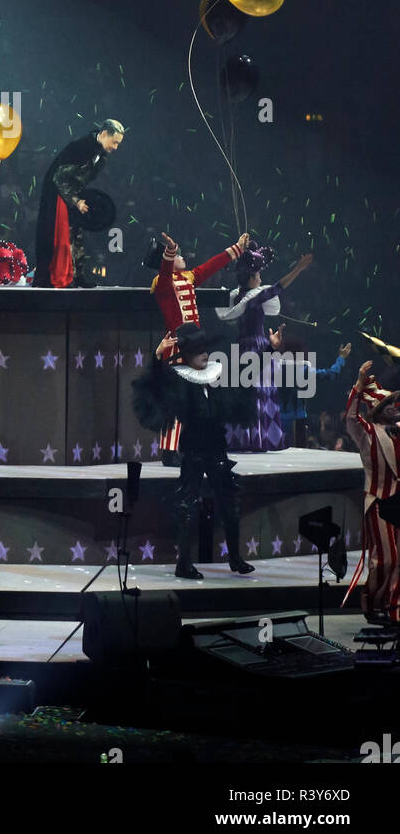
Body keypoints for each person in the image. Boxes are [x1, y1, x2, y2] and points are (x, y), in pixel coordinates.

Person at [132, 324, 257, 580]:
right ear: (187, 355)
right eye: (198, 351)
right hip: (193, 451)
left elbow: (239, 398)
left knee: (230, 503)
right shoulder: (181, 381)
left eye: (206, 350)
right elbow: (153, 386)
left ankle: (235, 558)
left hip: (217, 450)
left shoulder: (213, 379)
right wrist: (157, 357)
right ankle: (184, 564)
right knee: (186, 507)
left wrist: (266, 350)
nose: (205, 355)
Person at [144, 230, 248, 465]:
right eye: (178, 256)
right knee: (176, 398)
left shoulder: (188, 278)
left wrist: (237, 248)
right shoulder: (163, 283)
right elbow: (165, 271)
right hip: (177, 344)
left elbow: (212, 265)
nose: (183, 258)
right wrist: (170, 251)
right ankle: (170, 452)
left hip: (194, 344)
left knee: (200, 398)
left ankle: (204, 448)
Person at [216, 245, 313, 452]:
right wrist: (298, 269)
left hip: (241, 348)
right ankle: (258, 439)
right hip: (256, 347)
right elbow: (280, 286)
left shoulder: (238, 296)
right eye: (258, 273)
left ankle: (245, 437)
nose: (260, 278)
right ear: (252, 276)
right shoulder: (253, 298)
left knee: (247, 391)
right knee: (259, 391)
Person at [342, 359, 400, 624]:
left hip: (399, 502)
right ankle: (373, 602)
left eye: (394, 403)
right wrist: (358, 384)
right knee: (386, 558)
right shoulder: (367, 432)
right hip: (379, 500)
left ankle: (391, 605)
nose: (394, 407)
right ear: (378, 411)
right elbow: (351, 417)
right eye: (388, 404)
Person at [34, 120, 124, 288]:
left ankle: (77, 277)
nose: (116, 147)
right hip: (58, 195)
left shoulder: (100, 155)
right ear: (104, 134)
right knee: (62, 237)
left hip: (72, 193)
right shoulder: (80, 148)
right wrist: (76, 201)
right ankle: (58, 277)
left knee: (76, 235)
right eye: (115, 142)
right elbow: (59, 178)